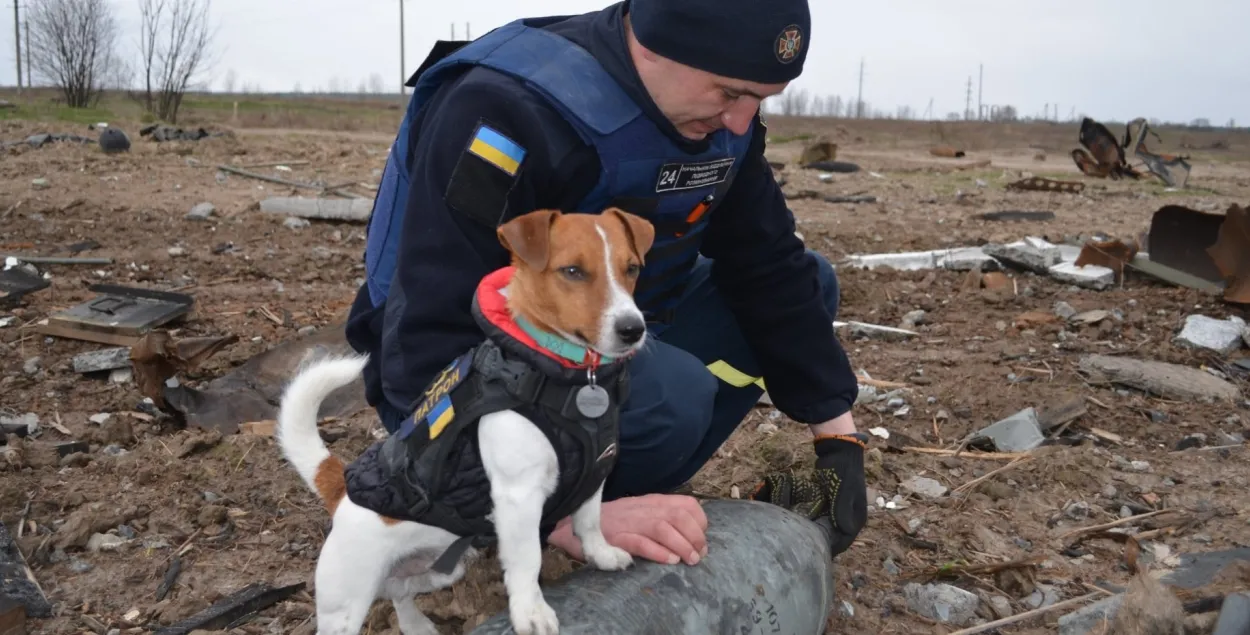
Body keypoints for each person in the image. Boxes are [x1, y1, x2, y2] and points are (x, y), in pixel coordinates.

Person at [345, 0, 868, 568]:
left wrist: (838, 440)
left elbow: (768, 263)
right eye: (729, 93)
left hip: (613, 334)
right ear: (652, 45)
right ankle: (542, 509)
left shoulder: (722, 127)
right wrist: (560, 521)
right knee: (673, 396)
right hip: (450, 386)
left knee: (810, 285)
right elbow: (428, 339)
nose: (742, 121)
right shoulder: (507, 109)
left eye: (761, 101)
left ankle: (620, 480)